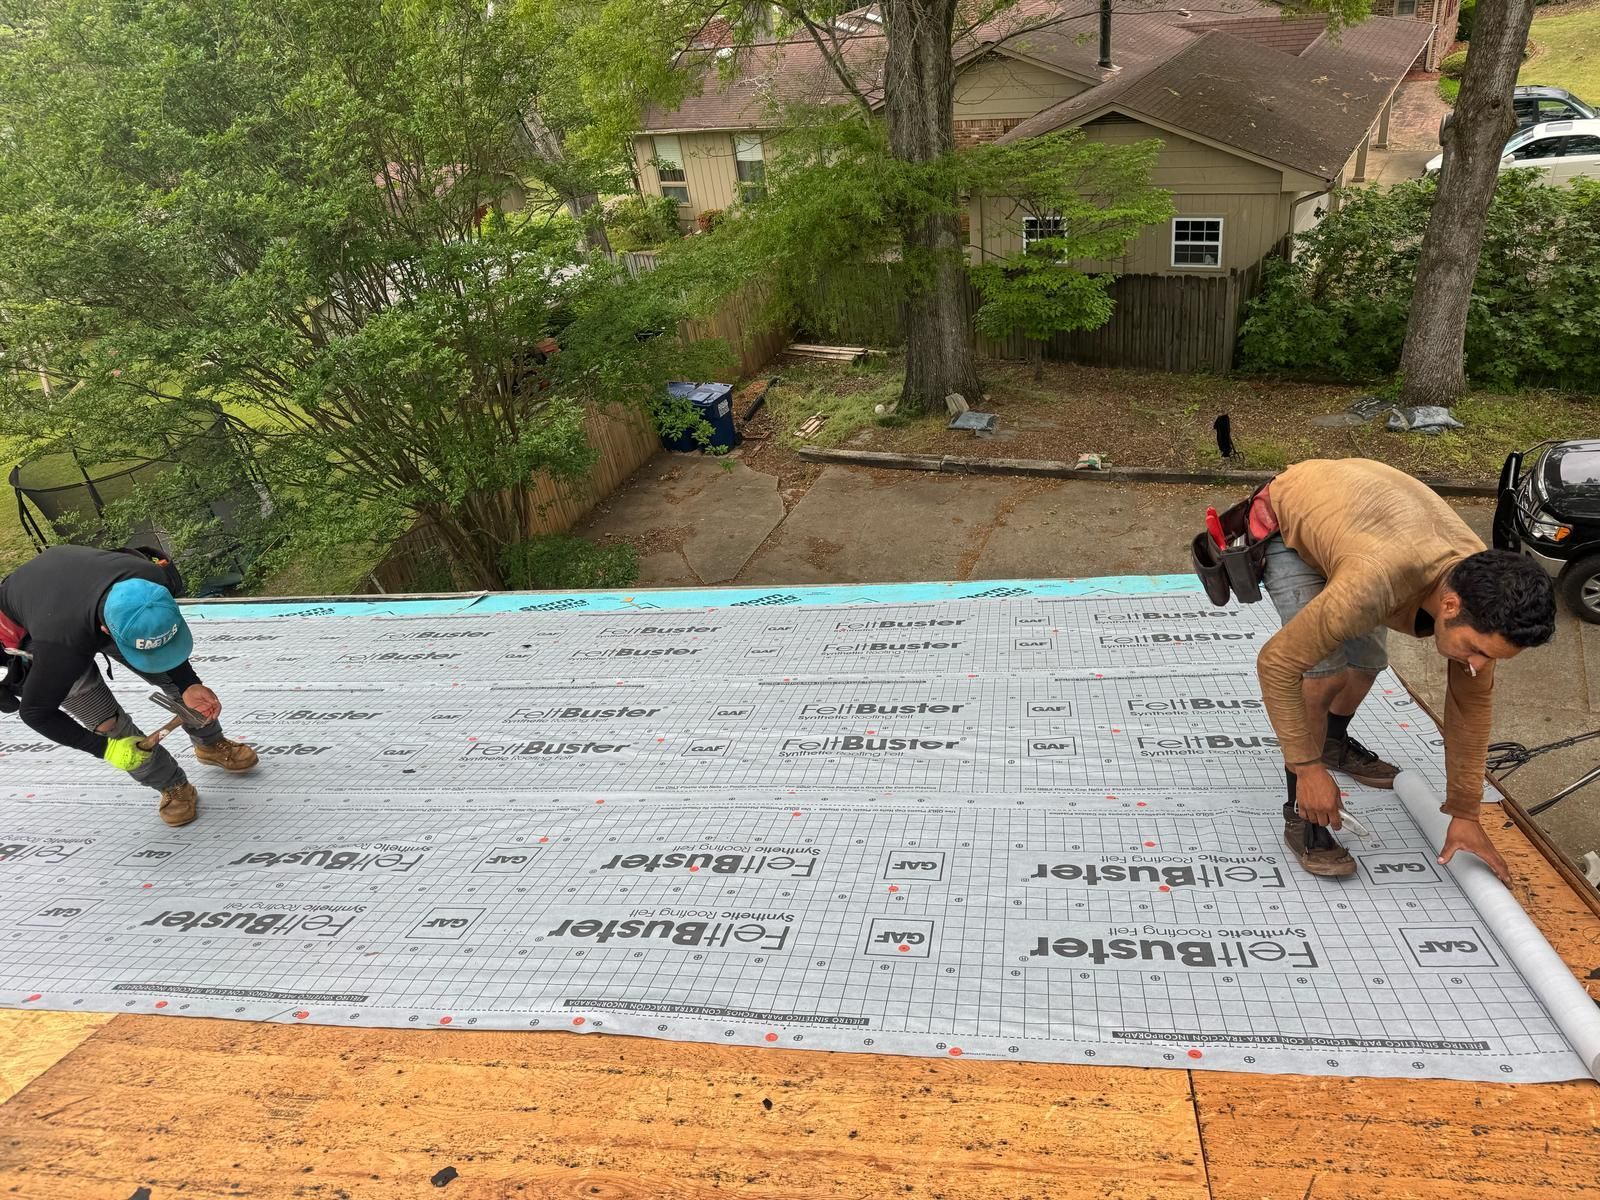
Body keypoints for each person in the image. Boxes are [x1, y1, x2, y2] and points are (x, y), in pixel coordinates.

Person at [1251, 459, 1556, 883]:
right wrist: (1307, 768)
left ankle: (1332, 745)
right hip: (1291, 524)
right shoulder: (1372, 584)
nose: (1478, 665)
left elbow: (1469, 711)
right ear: (1449, 605)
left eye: (1492, 658)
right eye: (1476, 650)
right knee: (1324, 676)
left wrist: (1465, 812)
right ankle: (1303, 813)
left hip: (1369, 531)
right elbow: (1276, 664)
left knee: (1366, 665)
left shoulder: (1481, 592)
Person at [0, 545, 257, 826]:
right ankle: (171, 784)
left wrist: (189, 683)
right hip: (44, 627)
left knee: (179, 685)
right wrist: (105, 749)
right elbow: (35, 713)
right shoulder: (59, 648)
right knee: (107, 723)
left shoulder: (153, 581)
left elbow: (161, 637)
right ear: (107, 631)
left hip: (88, 598)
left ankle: (210, 745)